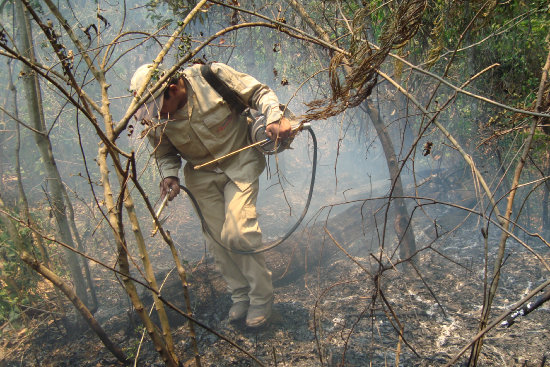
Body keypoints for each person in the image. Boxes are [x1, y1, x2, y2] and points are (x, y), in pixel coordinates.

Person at [130, 62, 291, 328]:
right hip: (201, 176)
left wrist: (274, 116)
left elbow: (258, 93)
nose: (156, 115)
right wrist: (169, 174)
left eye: (159, 107)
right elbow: (164, 152)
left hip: (240, 160)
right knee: (217, 240)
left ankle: (262, 298)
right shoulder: (155, 115)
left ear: (173, 88)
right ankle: (240, 295)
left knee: (238, 233)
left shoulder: (210, 77)